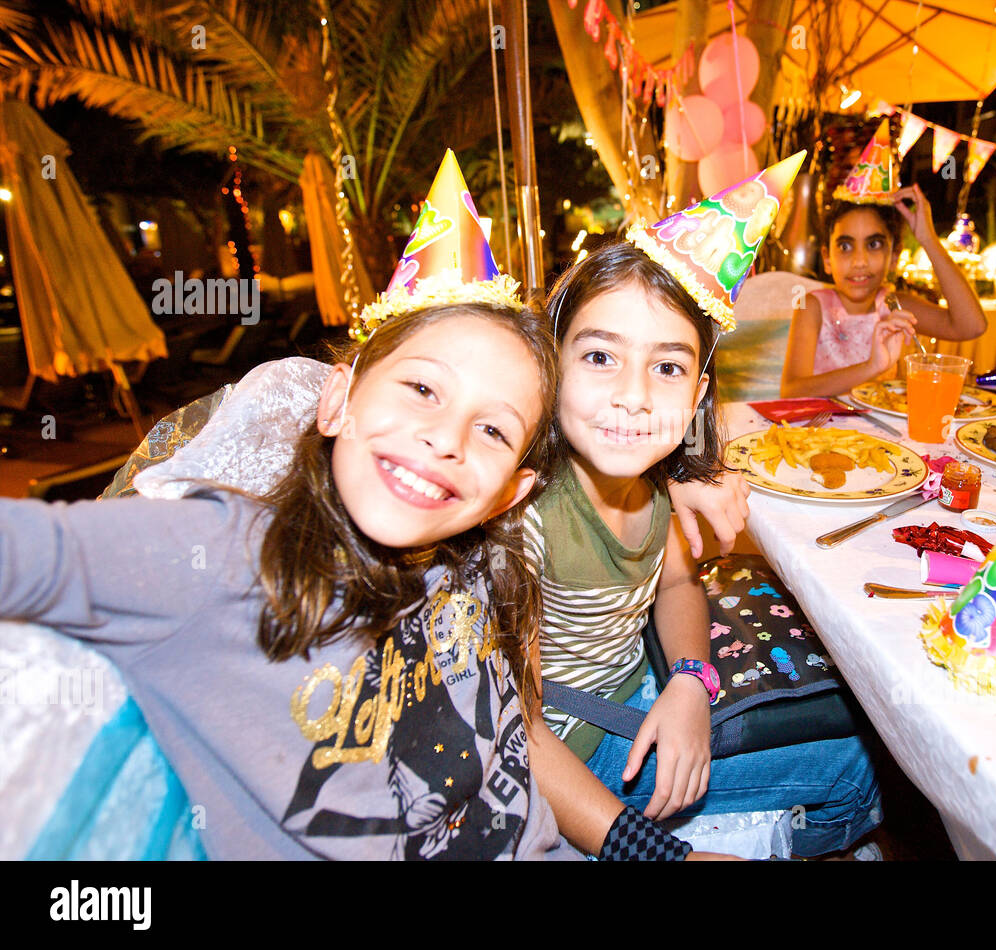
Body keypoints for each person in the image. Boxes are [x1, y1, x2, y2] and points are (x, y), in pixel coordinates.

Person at [0, 299, 576, 860]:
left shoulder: (475, 566)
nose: (447, 440)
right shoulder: (227, 555)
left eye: (493, 431)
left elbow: (518, 754)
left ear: (510, 495)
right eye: (422, 390)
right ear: (336, 403)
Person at [524, 235, 883, 858]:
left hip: (648, 685)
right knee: (862, 769)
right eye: (601, 357)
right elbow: (511, 728)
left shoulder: (654, 477)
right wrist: (656, 853)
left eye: (667, 367)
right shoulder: (527, 520)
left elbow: (678, 584)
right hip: (573, 755)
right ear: (552, 362)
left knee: (866, 730)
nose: (634, 396)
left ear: (697, 392)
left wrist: (691, 680)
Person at [780, 184, 987, 398]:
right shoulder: (813, 306)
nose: (859, 261)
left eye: (874, 244)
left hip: (882, 428)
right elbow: (791, 391)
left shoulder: (893, 306)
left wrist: (928, 240)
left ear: (894, 256)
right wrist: (871, 367)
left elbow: (972, 326)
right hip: (821, 428)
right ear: (826, 258)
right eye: (845, 246)